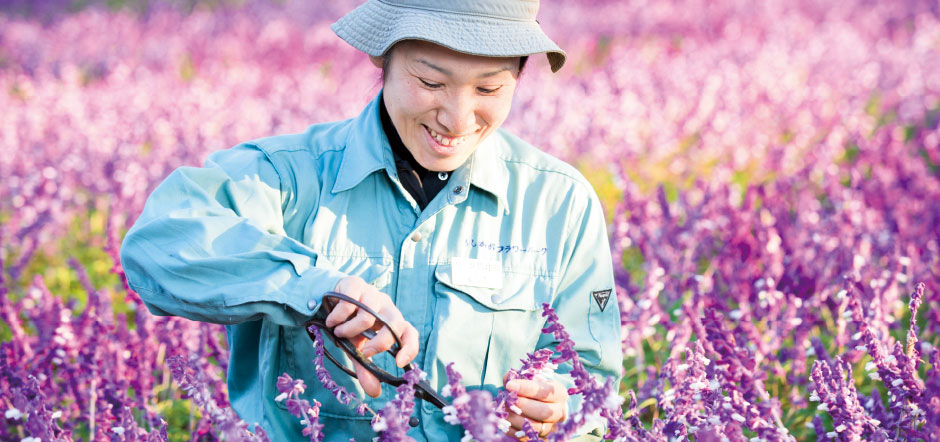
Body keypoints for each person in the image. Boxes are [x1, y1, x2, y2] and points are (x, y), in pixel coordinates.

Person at [120, 0, 622, 440]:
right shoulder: (289, 176)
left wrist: (557, 405)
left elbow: (591, 375)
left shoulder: (558, 202)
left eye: (489, 89)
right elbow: (157, 246)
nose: (457, 117)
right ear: (382, 56)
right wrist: (315, 288)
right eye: (431, 82)